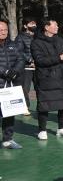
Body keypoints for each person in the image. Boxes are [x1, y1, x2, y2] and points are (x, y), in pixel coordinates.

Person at [31, 19, 63, 140]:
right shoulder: (36, 43)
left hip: (62, 77)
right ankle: (42, 130)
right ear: (46, 27)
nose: (57, 27)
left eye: (57, 25)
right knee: (44, 104)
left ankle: (62, 128)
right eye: (55, 25)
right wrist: (59, 57)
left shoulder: (59, 40)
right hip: (46, 78)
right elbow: (40, 61)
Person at [0, 19, 24, 148]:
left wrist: (15, 71)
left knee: (9, 113)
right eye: (0, 30)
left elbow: (21, 59)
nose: (3, 32)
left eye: (5, 30)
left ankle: (7, 139)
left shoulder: (13, 45)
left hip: (9, 85)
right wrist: (5, 71)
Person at [15, 18, 37, 115]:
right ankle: (25, 107)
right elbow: (19, 52)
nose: (34, 25)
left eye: (34, 23)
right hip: (26, 67)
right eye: (31, 23)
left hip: (39, 67)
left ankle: (42, 107)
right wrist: (30, 60)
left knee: (40, 87)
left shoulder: (38, 37)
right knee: (25, 89)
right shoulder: (20, 38)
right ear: (25, 26)